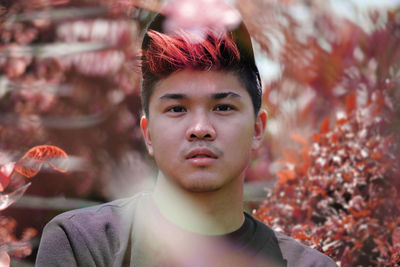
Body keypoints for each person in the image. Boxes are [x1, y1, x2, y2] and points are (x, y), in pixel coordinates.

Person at [35, 11, 337, 267]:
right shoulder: (82, 245)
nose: (200, 128)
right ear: (148, 133)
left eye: (223, 107)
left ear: (258, 130)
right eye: (177, 108)